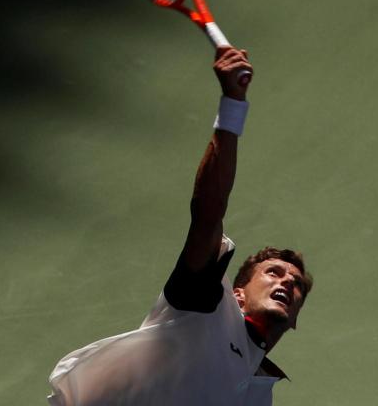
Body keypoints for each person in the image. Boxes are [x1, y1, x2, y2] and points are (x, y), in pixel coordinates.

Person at [47, 47, 313, 406]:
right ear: (236, 294)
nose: (286, 282)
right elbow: (208, 211)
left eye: (295, 284)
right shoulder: (207, 309)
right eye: (273, 273)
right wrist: (233, 104)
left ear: (295, 318)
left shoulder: (258, 396)